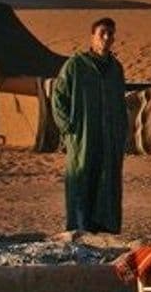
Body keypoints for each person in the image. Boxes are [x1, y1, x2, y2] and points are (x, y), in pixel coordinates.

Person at [51, 17, 128, 234]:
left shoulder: (116, 70)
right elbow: (58, 97)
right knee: (82, 179)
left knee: (108, 181)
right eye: (102, 33)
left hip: (110, 138)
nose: (106, 38)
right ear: (92, 36)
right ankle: (80, 229)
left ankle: (106, 230)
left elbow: (120, 103)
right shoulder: (75, 66)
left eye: (110, 34)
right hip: (82, 136)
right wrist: (69, 129)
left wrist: (121, 132)